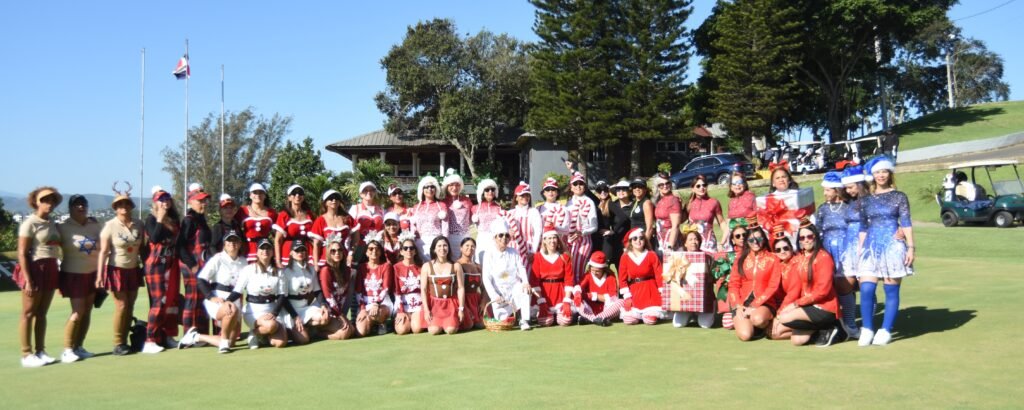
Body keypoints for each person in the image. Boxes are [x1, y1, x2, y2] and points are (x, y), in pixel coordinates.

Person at [857, 156, 915, 346]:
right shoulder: (865, 200)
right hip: (870, 247)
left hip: (892, 246)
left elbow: (906, 223)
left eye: (884, 171)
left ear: (889, 173)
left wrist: (911, 246)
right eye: (877, 172)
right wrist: (859, 251)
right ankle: (866, 328)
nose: (881, 175)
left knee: (891, 290)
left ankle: (886, 329)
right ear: (872, 175)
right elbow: (863, 227)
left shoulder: (899, 196)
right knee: (866, 289)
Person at [16, 187, 63, 367]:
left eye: (52, 200)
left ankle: (40, 351)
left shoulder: (53, 222)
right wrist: (28, 279)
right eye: (44, 200)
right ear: (36, 202)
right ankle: (26, 353)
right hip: (34, 267)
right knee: (28, 312)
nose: (48, 204)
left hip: (51, 267)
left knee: (42, 313)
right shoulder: (29, 223)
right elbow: (22, 253)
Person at [777, 225, 846, 346]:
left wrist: (795, 304)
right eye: (802, 238)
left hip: (824, 306)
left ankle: (833, 324)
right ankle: (824, 330)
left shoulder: (823, 257)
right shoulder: (801, 257)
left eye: (809, 236)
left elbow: (822, 291)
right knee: (797, 341)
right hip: (807, 304)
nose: (806, 240)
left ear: (815, 237)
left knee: (784, 318)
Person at [181, 230, 248, 353]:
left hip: (234, 298)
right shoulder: (217, 259)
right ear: (224, 244)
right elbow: (201, 279)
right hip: (217, 298)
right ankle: (223, 344)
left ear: (239, 244)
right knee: (230, 310)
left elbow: (242, 286)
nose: (232, 244)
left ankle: (196, 337)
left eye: (235, 241)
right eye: (229, 241)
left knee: (231, 342)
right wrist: (211, 297)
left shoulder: (244, 262)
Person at [96, 190, 144, 356]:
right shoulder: (110, 225)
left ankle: (125, 341)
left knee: (130, 306)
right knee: (121, 305)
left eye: (127, 204)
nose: (124, 207)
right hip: (116, 269)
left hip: (133, 269)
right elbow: (103, 252)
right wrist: (100, 276)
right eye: (120, 204)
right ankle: (118, 342)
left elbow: (143, 247)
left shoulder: (139, 223)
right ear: (115, 208)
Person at [55, 194, 102, 363]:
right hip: (73, 275)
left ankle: (78, 347)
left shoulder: (95, 225)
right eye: (76, 205)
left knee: (87, 311)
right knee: (77, 312)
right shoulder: (62, 227)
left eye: (83, 204)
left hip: (93, 274)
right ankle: (67, 349)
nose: (80, 207)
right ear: (70, 208)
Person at [816, 171, 857, 338]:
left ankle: (851, 325)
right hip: (827, 251)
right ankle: (839, 324)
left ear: (837, 190)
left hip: (846, 250)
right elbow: (817, 230)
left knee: (847, 287)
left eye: (828, 190)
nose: (825, 193)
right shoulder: (823, 209)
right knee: (832, 288)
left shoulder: (849, 207)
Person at [142, 186, 183, 353]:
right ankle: (150, 339)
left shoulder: (174, 219)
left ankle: (168, 335)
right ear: (155, 202)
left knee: (172, 301)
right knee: (159, 301)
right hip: (157, 263)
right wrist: (159, 219)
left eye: (167, 198)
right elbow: (155, 237)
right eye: (161, 199)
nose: (165, 201)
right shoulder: (151, 219)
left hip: (171, 263)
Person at [232, 239, 289, 349]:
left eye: (268, 248)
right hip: (253, 312)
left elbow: (282, 295)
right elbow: (237, 291)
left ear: (272, 252)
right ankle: (255, 333)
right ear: (257, 252)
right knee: (271, 325)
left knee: (280, 343)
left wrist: (274, 313)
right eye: (262, 248)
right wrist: (227, 302)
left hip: (272, 311)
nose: (265, 251)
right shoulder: (248, 269)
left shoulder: (279, 271)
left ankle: (259, 335)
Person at [728, 227, 781, 341]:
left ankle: (763, 325)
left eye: (758, 238)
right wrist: (738, 306)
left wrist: (754, 306)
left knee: (758, 319)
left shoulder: (773, 258)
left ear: (764, 238)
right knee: (745, 335)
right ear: (747, 241)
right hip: (742, 302)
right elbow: (733, 284)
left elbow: (773, 286)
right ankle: (750, 326)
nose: (755, 242)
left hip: (764, 302)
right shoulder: (740, 258)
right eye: (751, 240)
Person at [482, 219, 533, 331]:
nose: (504, 238)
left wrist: (525, 282)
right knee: (502, 322)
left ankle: (524, 320)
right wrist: (494, 295)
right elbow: (486, 278)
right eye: (500, 235)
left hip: (514, 288)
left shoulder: (513, 251)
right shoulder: (489, 254)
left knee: (525, 289)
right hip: (499, 292)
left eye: (506, 236)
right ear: (495, 237)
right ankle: (511, 316)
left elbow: (521, 267)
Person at [276, 240, 330, 345]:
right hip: (291, 310)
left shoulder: (311, 269)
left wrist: (323, 304)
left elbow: (317, 290)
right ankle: (291, 330)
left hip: (305, 308)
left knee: (324, 318)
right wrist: (295, 317)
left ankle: (306, 327)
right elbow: (284, 299)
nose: (300, 253)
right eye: (297, 250)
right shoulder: (285, 272)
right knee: (304, 340)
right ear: (291, 253)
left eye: (303, 250)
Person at [179, 183, 212, 337]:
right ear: (190, 202)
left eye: (204, 200)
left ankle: (202, 334)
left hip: (203, 266)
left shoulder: (201, 219)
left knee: (202, 300)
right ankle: (189, 335)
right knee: (192, 300)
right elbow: (180, 246)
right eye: (200, 201)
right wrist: (192, 265)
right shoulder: (189, 220)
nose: (203, 203)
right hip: (192, 266)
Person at [839, 165, 869, 338]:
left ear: (859, 184)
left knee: (866, 287)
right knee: (846, 285)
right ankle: (850, 325)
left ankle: (868, 325)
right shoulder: (849, 202)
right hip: (849, 245)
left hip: (865, 244)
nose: (848, 191)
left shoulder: (870, 200)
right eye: (846, 188)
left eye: (850, 187)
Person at [667, 230, 715, 329]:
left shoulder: (708, 258)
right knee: (677, 324)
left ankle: (710, 311)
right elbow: (669, 280)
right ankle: (691, 315)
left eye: (696, 239)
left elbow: (714, 279)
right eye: (690, 239)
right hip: (685, 300)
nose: (694, 242)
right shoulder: (677, 258)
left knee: (705, 325)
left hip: (705, 300)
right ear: (685, 243)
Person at [530, 225, 575, 327]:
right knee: (545, 322)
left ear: (558, 240)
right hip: (544, 294)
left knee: (565, 321)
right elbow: (534, 280)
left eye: (554, 238)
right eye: (549, 238)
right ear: (544, 240)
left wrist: (567, 301)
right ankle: (551, 315)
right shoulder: (538, 257)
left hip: (560, 293)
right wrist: (540, 301)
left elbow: (569, 279)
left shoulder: (565, 256)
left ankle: (557, 314)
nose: (552, 241)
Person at [618, 228, 664, 325]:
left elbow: (659, 274)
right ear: (630, 241)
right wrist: (627, 296)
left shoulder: (651, 255)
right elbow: (622, 279)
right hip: (634, 291)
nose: (638, 241)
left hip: (650, 290)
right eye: (634, 238)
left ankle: (646, 315)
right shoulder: (625, 257)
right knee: (629, 320)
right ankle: (638, 316)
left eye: (641, 238)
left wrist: (661, 290)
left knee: (650, 320)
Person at [421, 236, 466, 335]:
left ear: (449, 248)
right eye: (439, 246)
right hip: (434, 305)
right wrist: (426, 310)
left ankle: (451, 322)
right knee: (434, 331)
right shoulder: (426, 266)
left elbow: (461, 288)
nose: (442, 248)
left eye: (445, 245)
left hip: (451, 304)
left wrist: (461, 309)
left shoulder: (456, 265)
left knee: (451, 330)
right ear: (434, 249)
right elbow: (423, 289)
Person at [317, 233, 357, 340]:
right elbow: (328, 296)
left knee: (352, 330)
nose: (337, 253)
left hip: (339, 311)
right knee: (345, 333)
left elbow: (345, 296)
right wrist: (341, 316)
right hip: (328, 311)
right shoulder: (326, 271)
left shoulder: (347, 271)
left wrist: (343, 314)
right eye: (333, 251)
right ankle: (318, 335)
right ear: (328, 254)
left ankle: (326, 331)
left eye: (339, 250)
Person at [355, 231, 394, 337]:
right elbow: (358, 291)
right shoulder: (361, 267)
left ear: (381, 252)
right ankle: (372, 324)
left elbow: (386, 288)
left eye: (377, 249)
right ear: (366, 252)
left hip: (382, 303)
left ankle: (381, 322)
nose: (374, 251)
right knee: (361, 332)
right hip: (365, 304)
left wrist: (376, 304)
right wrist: (362, 309)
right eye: (371, 249)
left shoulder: (386, 266)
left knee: (376, 313)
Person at [565, 172, 598, 282]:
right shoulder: (568, 203)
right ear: (571, 187)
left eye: (581, 184)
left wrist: (581, 232)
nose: (578, 186)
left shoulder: (589, 202)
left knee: (578, 272)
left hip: (583, 241)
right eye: (575, 184)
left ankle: (580, 296)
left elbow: (594, 226)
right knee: (568, 270)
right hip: (569, 241)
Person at [309, 189, 355, 267]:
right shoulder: (320, 220)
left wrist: (351, 254)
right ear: (325, 203)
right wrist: (316, 264)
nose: (334, 200)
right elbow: (316, 245)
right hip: (326, 260)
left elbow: (356, 239)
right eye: (331, 198)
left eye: (337, 198)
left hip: (344, 258)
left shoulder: (347, 218)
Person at [576, 251, 621, 326]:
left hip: (606, 309)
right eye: (592, 270)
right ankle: (596, 319)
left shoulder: (610, 277)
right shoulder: (587, 275)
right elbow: (579, 287)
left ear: (603, 269)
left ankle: (592, 319)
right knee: (578, 302)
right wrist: (577, 293)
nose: (594, 273)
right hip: (590, 308)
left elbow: (613, 298)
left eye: (597, 271)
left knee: (621, 302)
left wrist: (594, 296)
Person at [685, 175, 728, 253]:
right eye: (698, 186)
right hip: (693, 244)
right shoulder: (689, 204)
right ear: (693, 189)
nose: (702, 188)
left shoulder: (714, 202)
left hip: (709, 244)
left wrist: (723, 242)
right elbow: (680, 221)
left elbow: (722, 222)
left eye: (704, 185)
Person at [274, 184, 315, 266]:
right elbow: (278, 240)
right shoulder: (284, 215)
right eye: (294, 193)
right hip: (289, 251)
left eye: (300, 193)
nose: (297, 195)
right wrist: (278, 261)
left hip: (307, 251)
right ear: (289, 197)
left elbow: (315, 237)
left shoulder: (309, 215)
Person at [393, 233, 425, 335]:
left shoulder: (422, 267)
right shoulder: (396, 268)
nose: (408, 250)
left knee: (417, 329)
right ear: (401, 251)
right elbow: (396, 291)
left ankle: (416, 319)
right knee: (402, 330)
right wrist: (401, 310)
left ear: (415, 251)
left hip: (419, 305)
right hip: (403, 305)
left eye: (411, 248)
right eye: (405, 248)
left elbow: (426, 289)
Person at [411, 175, 449, 261]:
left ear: (436, 189)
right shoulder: (416, 207)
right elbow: (413, 226)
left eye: (432, 187)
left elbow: (445, 227)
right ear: (422, 189)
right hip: (419, 242)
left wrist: (444, 242)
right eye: (426, 187)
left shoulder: (441, 205)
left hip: (436, 242)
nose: (429, 189)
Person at [506, 182, 542, 269]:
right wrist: (507, 232)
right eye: (522, 195)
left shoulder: (533, 212)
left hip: (529, 249)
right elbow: (502, 231)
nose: (525, 198)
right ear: (516, 197)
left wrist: (532, 251)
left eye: (527, 195)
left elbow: (538, 232)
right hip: (512, 249)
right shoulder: (510, 213)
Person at [240, 183, 277, 263]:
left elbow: (277, 234)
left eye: (261, 192)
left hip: (265, 249)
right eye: (255, 192)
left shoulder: (272, 213)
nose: (258, 195)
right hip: (247, 248)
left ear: (265, 195)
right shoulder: (242, 211)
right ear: (250, 195)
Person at [442, 169, 473, 260]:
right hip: (448, 239)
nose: (454, 188)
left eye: (457, 185)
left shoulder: (467, 201)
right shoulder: (442, 202)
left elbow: (472, 218)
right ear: (446, 186)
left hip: (465, 238)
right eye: (451, 185)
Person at [457, 238, 486, 330]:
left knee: (481, 325)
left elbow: (484, 288)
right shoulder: (457, 265)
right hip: (462, 300)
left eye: (473, 246)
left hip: (475, 301)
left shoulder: (478, 267)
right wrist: (462, 307)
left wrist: (483, 302)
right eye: (467, 245)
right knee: (468, 326)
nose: (470, 248)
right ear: (461, 248)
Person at [471, 178, 503, 263]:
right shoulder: (475, 208)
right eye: (487, 190)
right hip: (481, 239)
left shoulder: (499, 207)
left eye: (492, 189)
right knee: (480, 264)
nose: (490, 192)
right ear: (482, 192)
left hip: (495, 240)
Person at [652, 173, 683, 254]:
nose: (665, 186)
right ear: (658, 187)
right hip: (661, 242)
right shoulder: (658, 201)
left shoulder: (673, 200)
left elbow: (675, 226)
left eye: (667, 183)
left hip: (671, 244)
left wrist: (670, 246)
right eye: (661, 185)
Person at [606, 180, 632, 268]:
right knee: (619, 268)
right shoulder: (613, 205)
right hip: (616, 243)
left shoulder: (634, 206)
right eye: (618, 189)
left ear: (629, 191)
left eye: (624, 189)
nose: (621, 191)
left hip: (630, 243)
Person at [628, 178, 655, 245]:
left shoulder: (646, 203)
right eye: (634, 187)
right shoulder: (634, 202)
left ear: (645, 189)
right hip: (635, 239)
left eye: (640, 186)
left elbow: (650, 227)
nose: (637, 189)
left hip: (642, 240)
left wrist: (645, 244)